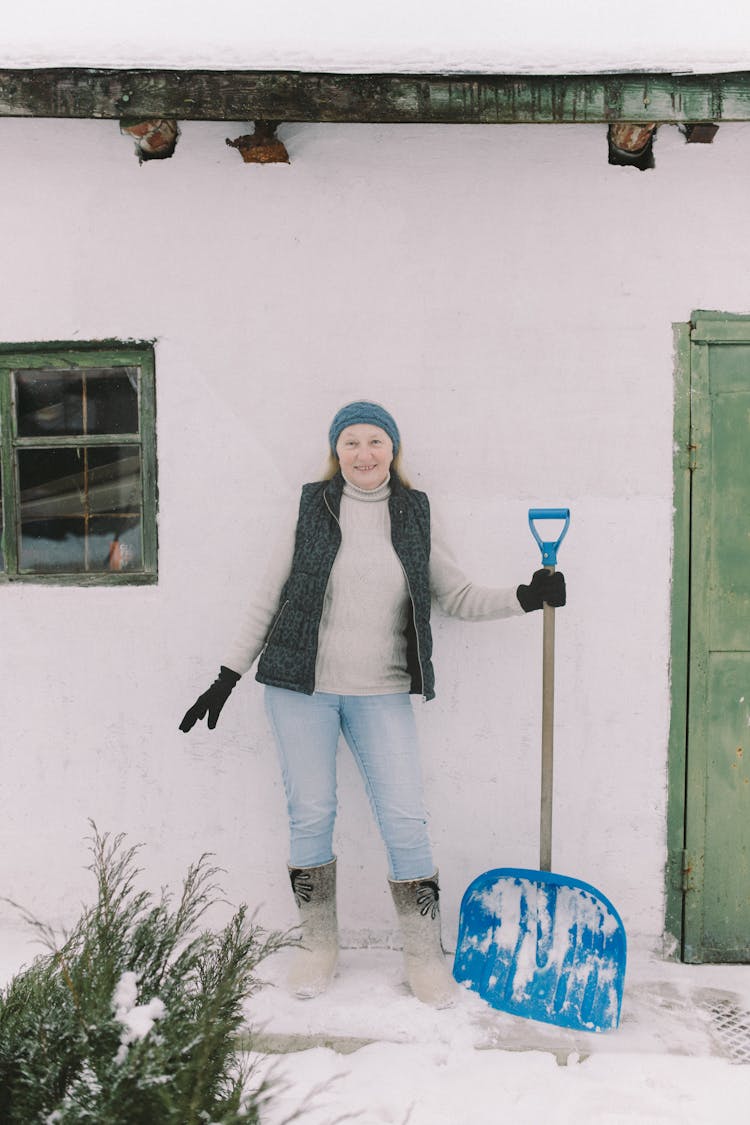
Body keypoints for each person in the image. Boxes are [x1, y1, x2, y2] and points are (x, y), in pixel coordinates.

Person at [180, 400, 566, 1008]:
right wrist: (227, 676)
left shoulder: (412, 514)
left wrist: (524, 595)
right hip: (298, 688)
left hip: (381, 690)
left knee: (405, 820)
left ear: (394, 450)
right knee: (311, 814)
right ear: (337, 451)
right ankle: (318, 947)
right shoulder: (313, 507)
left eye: (376, 442)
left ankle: (422, 955)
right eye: (352, 442)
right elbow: (268, 594)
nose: (364, 454)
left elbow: (456, 595)